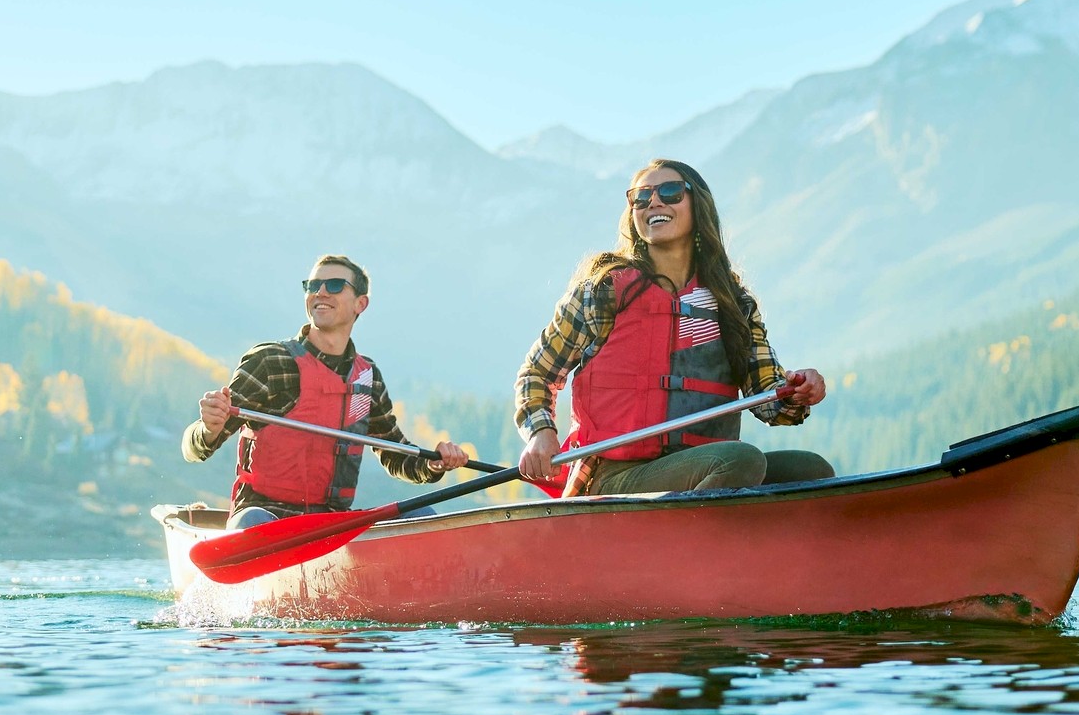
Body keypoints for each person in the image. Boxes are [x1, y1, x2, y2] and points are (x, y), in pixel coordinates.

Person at [514, 159, 833, 497]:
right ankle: (687, 543)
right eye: (641, 196)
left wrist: (798, 390)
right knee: (740, 460)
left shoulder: (732, 302)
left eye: (670, 191)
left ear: (699, 205)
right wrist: (541, 433)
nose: (654, 202)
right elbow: (537, 373)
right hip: (615, 477)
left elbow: (769, 399)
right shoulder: (603, 290)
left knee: (811, 470)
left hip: (704, 466)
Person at [184, 254, 469, 528]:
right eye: (312, 286)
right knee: (254, 521)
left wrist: (434, 464)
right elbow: (194, 449)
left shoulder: (367, 378)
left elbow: (397, 456)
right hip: (262, 519)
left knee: (423, 515)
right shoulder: (270, 362)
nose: (320, 292)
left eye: (334, 285)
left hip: (329, 524)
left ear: (361, 303)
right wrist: (210, 428)